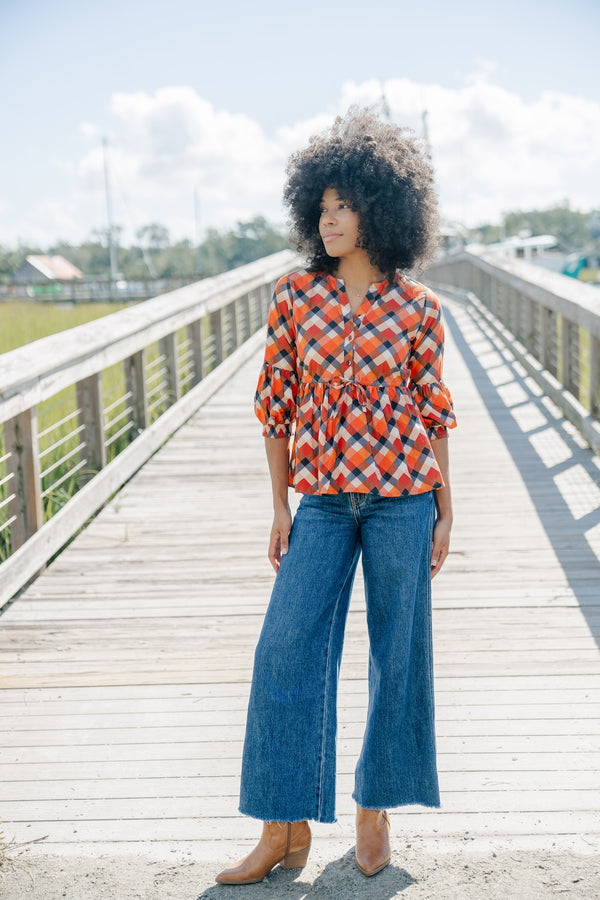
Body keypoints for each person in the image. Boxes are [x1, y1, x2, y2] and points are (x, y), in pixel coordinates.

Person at [216, 107, 456, 885]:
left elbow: (434, 408)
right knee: (284, 648)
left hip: (402, 498)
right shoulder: (295, 297)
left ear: (382, 211)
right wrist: (280, 505)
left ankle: (373, 808)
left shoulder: (419, 309)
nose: (329, 220)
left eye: (344, 206)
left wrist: (447, 507)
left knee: (398, 655)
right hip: (320, 499)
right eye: (320, 208)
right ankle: (282, 830)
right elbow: (274, 407)